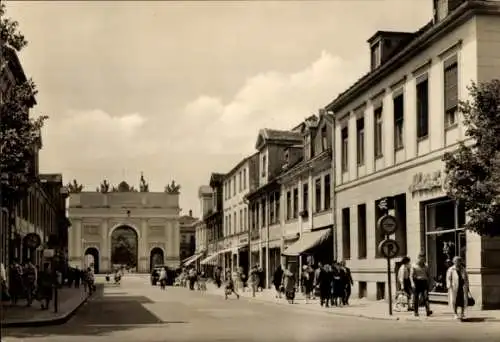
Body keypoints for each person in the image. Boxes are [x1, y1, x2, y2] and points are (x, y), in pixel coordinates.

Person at [446, 256, 470, 320]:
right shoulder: (451, 269)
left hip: (462, 287)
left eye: (459, 261)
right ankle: (455, 313)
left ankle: (462, 313)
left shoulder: (463, 269)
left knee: (463, 301)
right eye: (456, 261)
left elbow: (466, 279)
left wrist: (467, 286)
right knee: (454, 301)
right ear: (454, 262)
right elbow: (448, 278)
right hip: (454, 287)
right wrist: (449, 286)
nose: (457, 262)